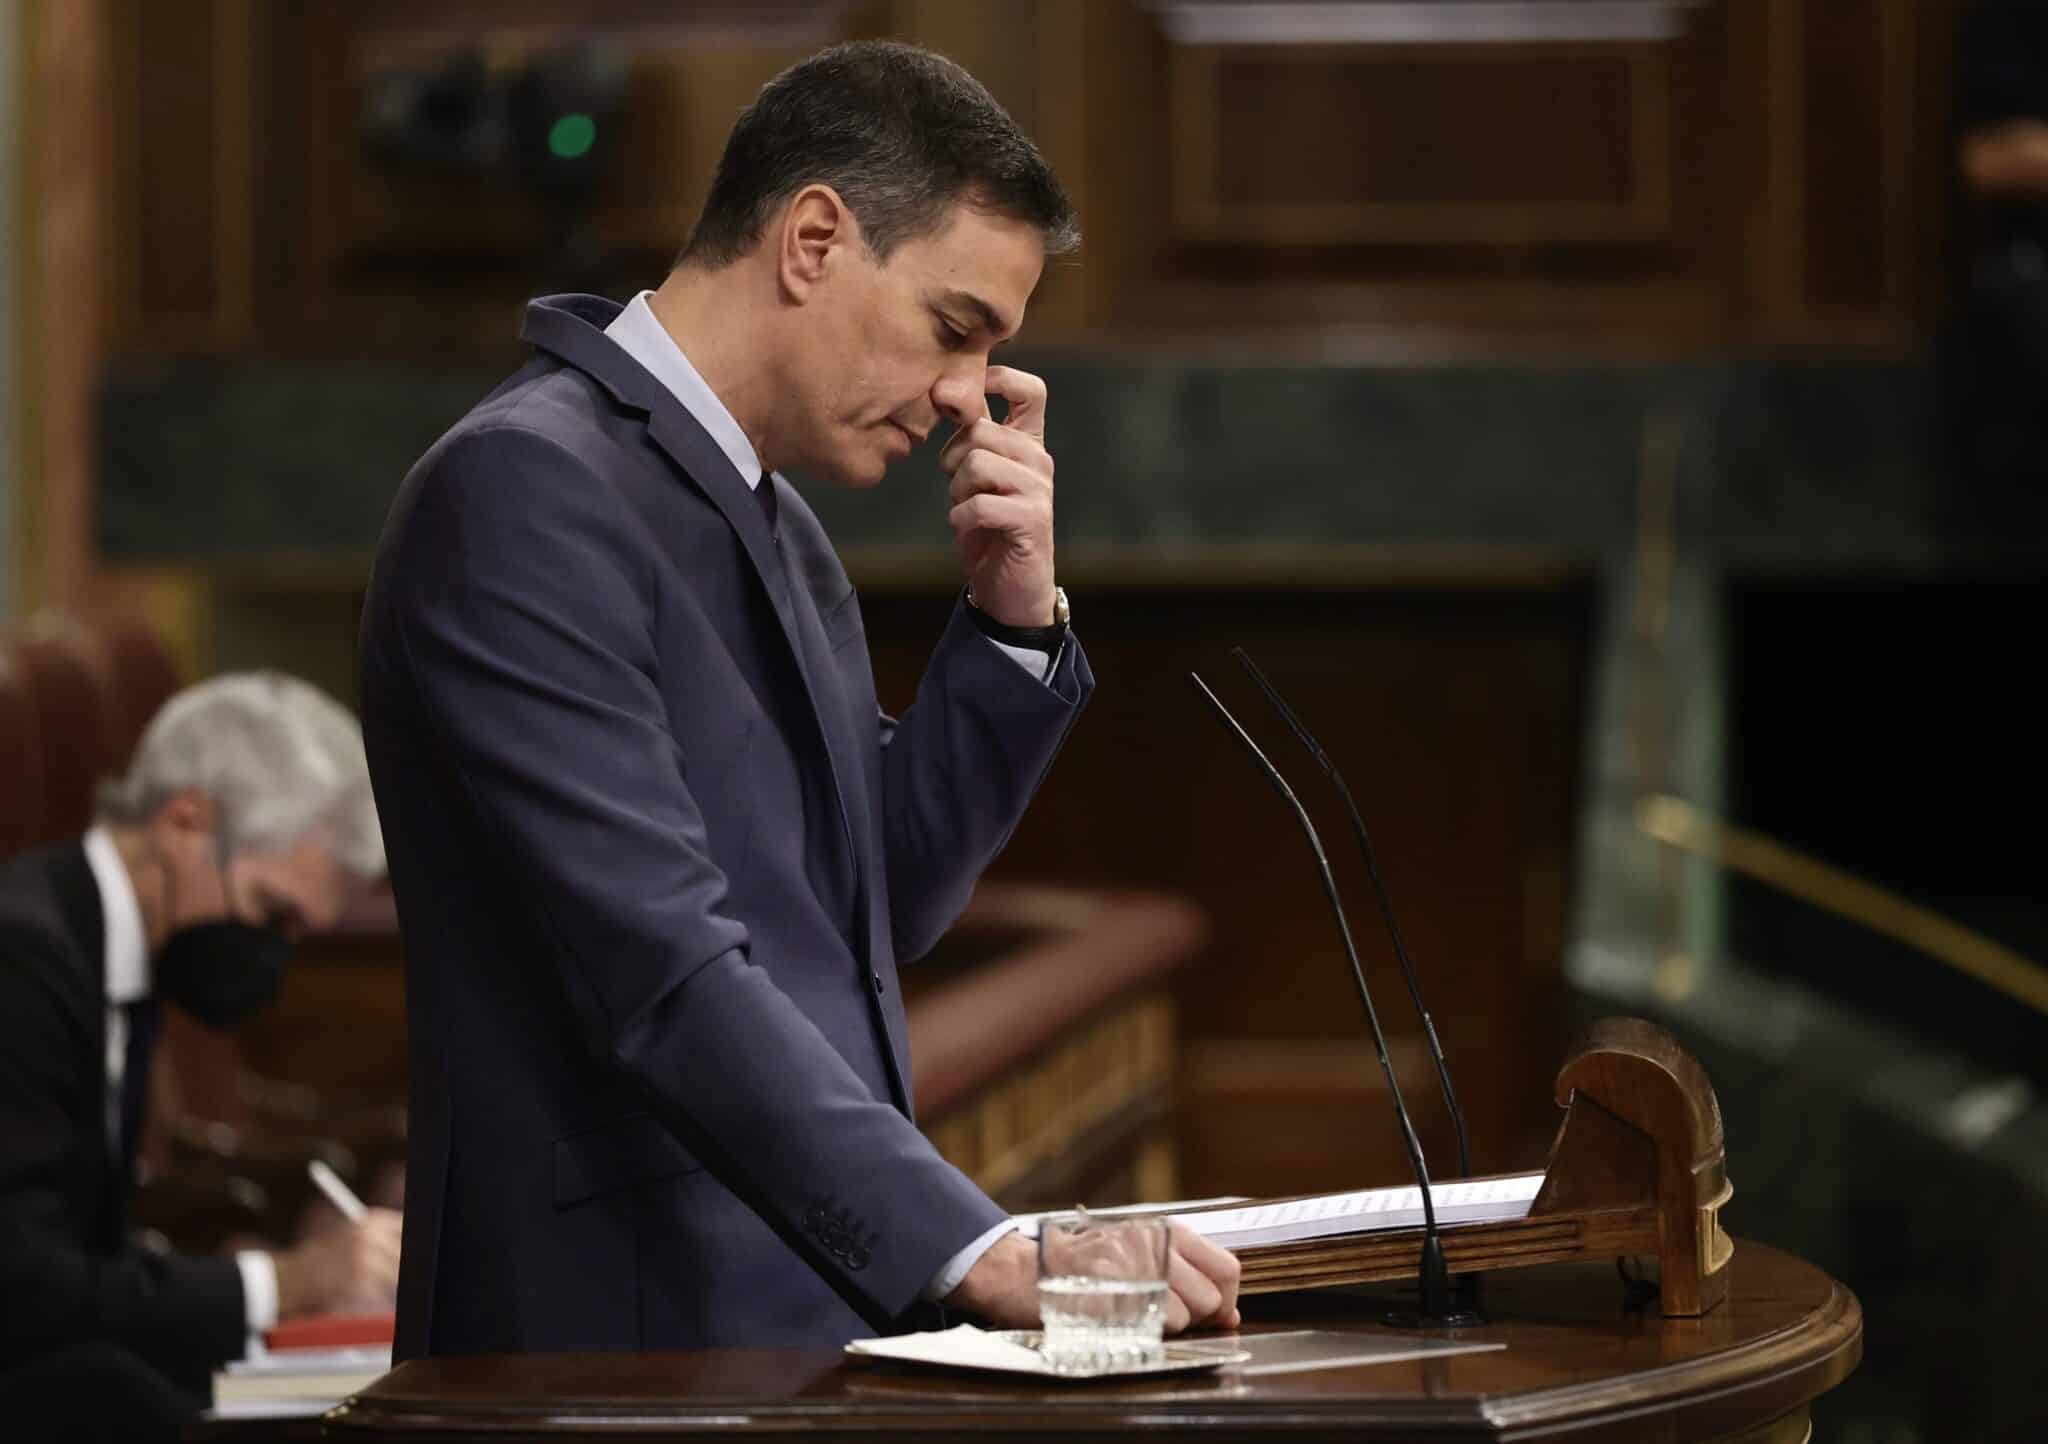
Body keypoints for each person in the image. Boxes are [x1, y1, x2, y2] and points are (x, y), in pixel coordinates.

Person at [359, 39, 1240, 1358]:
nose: (966, 399)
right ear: (815, 239)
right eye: (956, 329)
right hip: (609, 1356)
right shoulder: (522, 495)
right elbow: (659, 971)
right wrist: (976, 1245)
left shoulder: (774, 522)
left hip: (785, 1325)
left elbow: (868, 905)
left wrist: (1008, 625)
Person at [0, 672, 404, 1438]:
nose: (273, 959)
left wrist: (225, 1267)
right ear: (186, 823)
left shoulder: (110, 950)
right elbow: (22, 1286)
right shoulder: (22, 959)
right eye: (269, 911)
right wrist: (284, 1281)